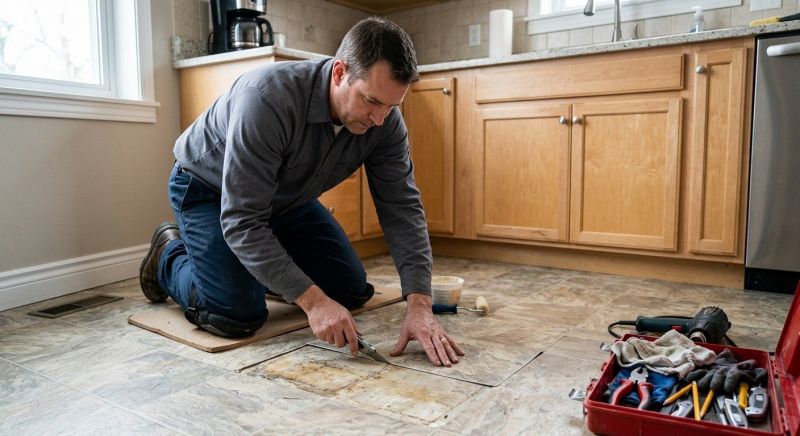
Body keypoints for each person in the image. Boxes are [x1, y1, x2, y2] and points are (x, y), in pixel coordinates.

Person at [139, 17, 464, 367]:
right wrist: (312, 302)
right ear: (339, 72)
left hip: (286, 199)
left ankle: (256, 267)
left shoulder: (384, 122)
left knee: (350, 291)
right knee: (236, 314)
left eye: (391, 106)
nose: (380, 120)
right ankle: (167, 254)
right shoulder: (265, 99)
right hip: (209, 191)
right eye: (371, 101)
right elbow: (242, 220)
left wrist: (419, 303)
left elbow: (402, 207)